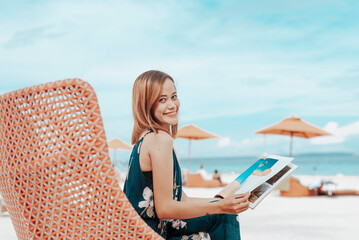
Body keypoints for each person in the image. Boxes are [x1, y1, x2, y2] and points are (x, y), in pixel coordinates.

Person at [124, 70, 250, 240]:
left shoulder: (148, 139)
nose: (172, 105)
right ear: (147, 105)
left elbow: (182, 200)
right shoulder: (159, 140)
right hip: (148, 235)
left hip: (143, 230)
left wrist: (223, 203)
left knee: (225, 213)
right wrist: (220, 206)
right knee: (224, 215)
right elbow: (165, 209)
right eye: (162, 100)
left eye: (174, 96)